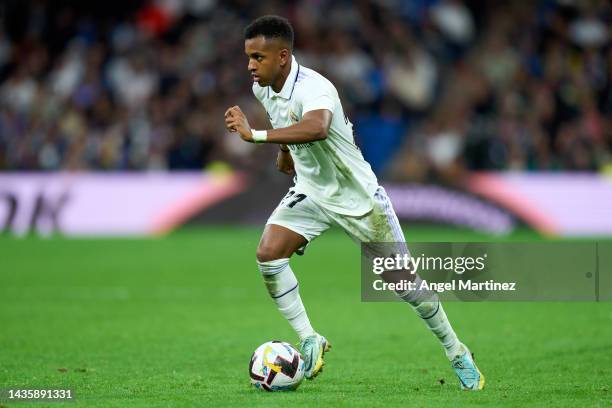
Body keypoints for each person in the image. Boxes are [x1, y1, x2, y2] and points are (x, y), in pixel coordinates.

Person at [224, 15, 484, 390]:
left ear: (283, 56)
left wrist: (257, 136)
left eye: (258, 57)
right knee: (268, 253)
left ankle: (457, 351)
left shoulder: (315, 87)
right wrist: (284, 151)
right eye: (248, 56)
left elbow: (317, 127)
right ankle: (310, 337)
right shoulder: (262, 88)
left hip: (358, 197)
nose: (250, 65)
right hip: (312, 190)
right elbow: (285, 119)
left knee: (406, 285)